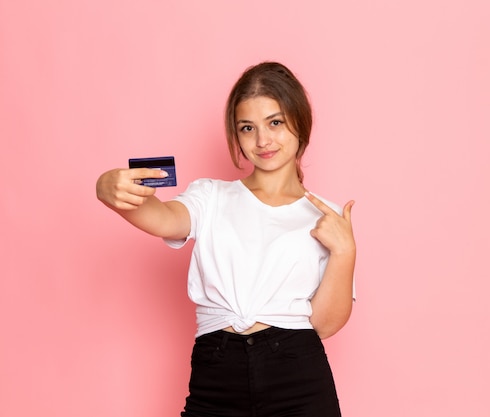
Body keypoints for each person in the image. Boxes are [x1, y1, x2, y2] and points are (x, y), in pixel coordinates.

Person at [96, 62, 356, 417]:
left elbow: (325, 325)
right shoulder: (211, 196)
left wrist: (345, 251)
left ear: (300, 120)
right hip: (216, 370)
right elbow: (164, 219)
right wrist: (112, 191)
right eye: (247, 128)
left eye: (275, 123)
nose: (262, 140)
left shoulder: (328, 215)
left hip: (298, 373)